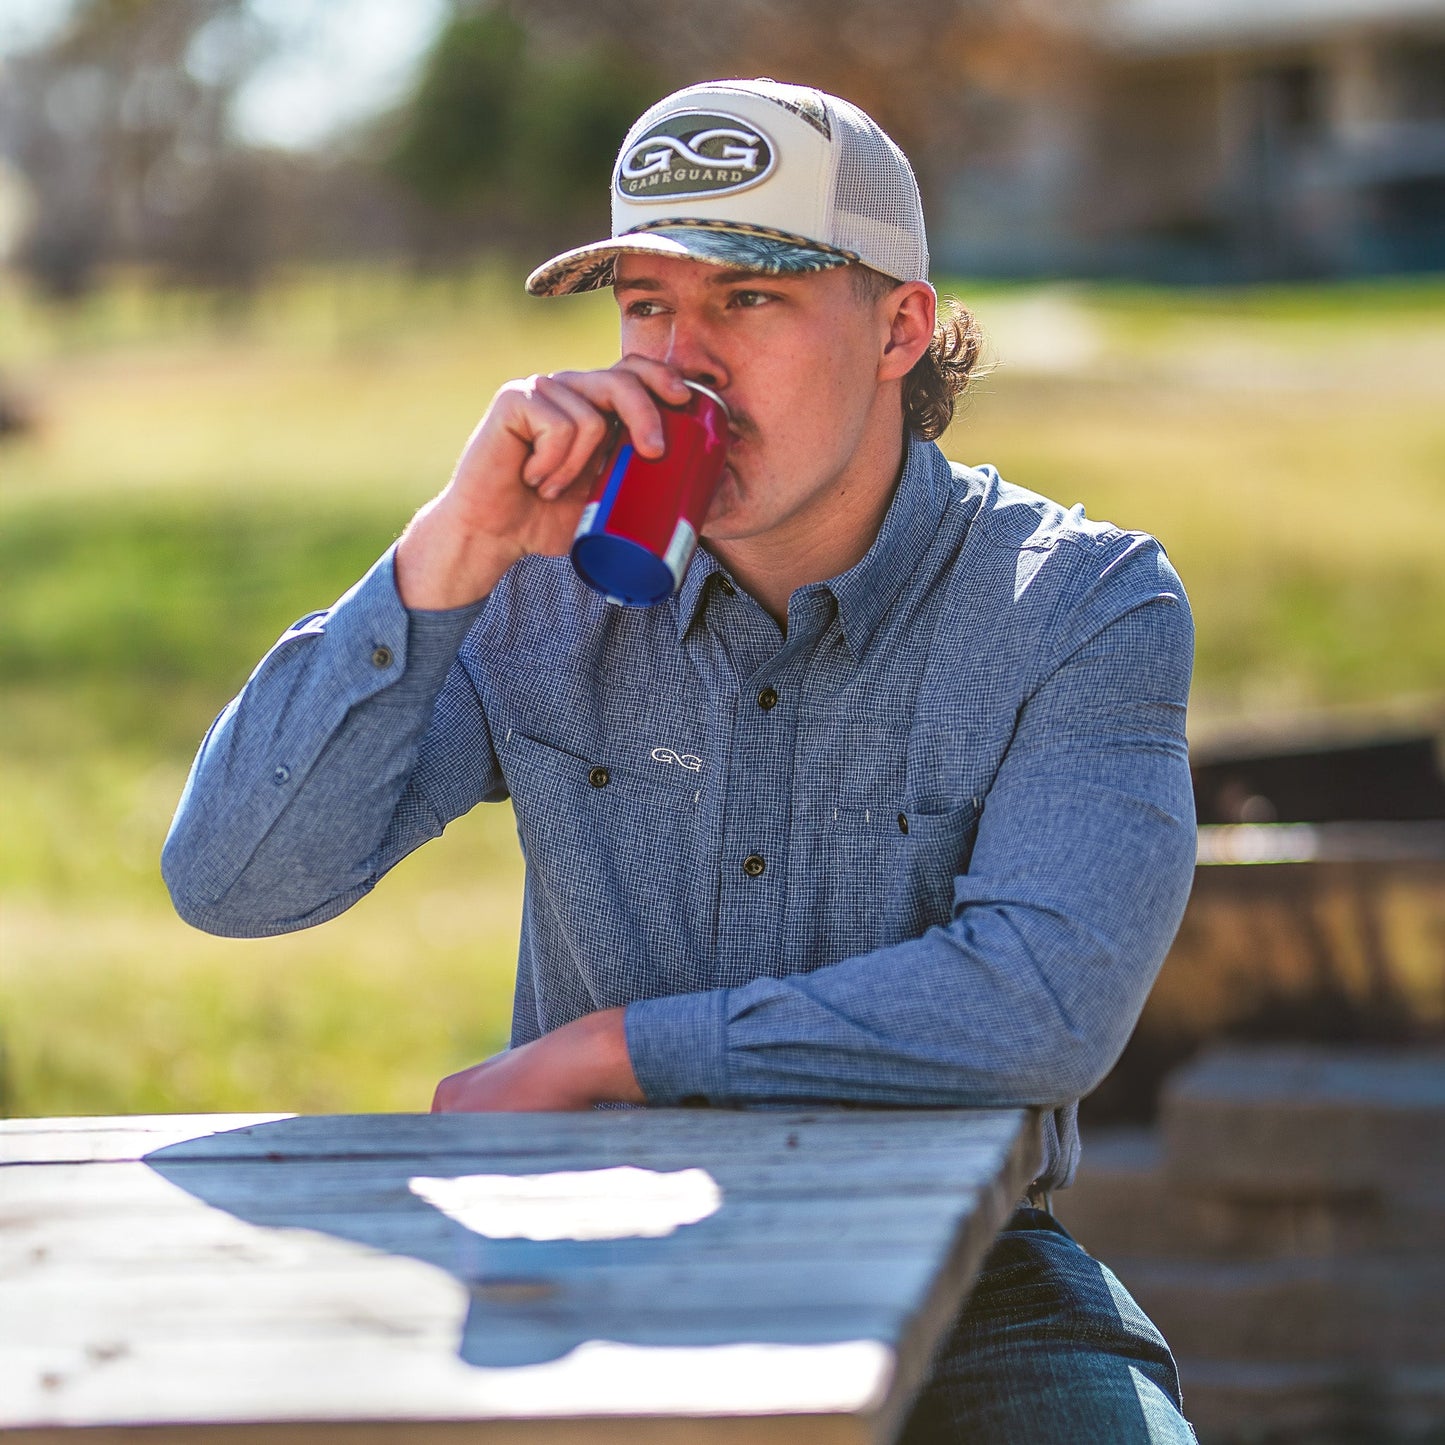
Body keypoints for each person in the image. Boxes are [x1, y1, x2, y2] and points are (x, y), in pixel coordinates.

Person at [163, 78, 1199, 1443]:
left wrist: (618, 1051)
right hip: (590, 1250)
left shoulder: (1078, 603)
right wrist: (445, 556)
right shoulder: (540, 584)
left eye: (746, 300)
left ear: (898, 326)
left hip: (970, 1279)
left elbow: (1043, 1005)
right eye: (647, 302)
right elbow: (236, 879)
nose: (680, 358)